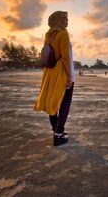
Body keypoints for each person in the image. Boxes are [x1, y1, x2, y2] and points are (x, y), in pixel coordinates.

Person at [34, 11, 75, 146]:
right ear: (59, 20)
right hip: (61, 73)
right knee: (65, 103)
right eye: (65, 18)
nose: (67, 21)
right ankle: (59, 134)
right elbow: (66, 57)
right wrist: (69, 76)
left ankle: (55, 131)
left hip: (50, 73)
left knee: (53, 101)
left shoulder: (48, 36)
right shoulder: (63, 34)